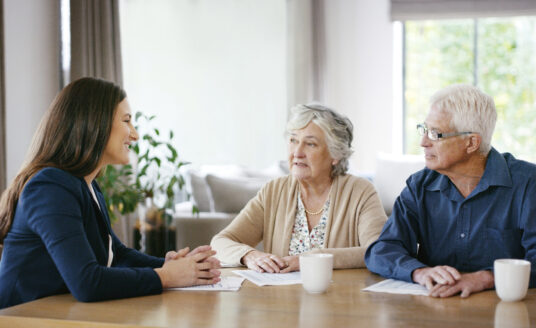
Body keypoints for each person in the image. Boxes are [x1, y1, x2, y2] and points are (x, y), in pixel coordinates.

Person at [0, 77, 221, 309]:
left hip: (58, 313)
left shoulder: (87, 184)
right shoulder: (50, 187)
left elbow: (117, 254)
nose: (134, 135)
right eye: (127, 121)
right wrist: (166, 276)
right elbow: (87, 282)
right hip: (21, 317)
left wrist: (173, 265)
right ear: (95, 122)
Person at [365, 84, 536, 298]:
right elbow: (382, 250)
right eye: (424, 129)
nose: (423, 142)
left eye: (436, 134)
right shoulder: (419, 186)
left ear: (471, 142)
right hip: (435, 307)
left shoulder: (528, 184)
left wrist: (484, 278)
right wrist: (419, 272)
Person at [211, 104, 387, 273]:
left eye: (310, 144)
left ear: (336, 155)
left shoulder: (360, 192)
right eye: (293, 140)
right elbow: (220, 242)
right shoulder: (273, 191)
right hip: (281, 299)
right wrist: (249, 255)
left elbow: (379, 250)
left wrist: (310, 259)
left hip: (340, 299)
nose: (297, 152)